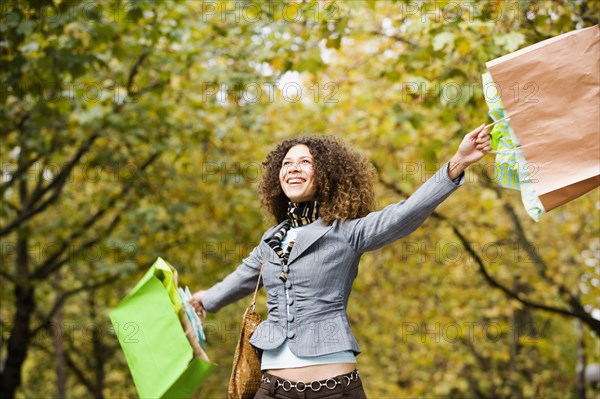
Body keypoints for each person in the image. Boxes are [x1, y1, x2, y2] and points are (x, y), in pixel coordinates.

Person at [189, 124, 491, 398]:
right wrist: (205, 299)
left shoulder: (347, 232)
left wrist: (458, 163)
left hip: (334, 389)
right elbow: (242, 277)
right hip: (272, 390)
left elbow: (405, 213)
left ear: (326, 175)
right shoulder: (272, 238)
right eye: (286, 164)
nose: (293, 169)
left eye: (305, 162)